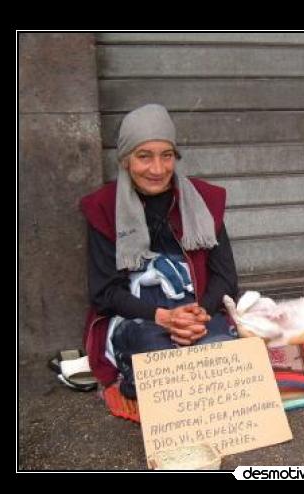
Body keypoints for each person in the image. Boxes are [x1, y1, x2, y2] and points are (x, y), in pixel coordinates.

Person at [80, 104, 239, 400]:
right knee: (157, 350)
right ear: (126, 160)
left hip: (195, 311)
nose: (157, 169)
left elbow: (225, 277)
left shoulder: (203, 200)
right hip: (139, 316)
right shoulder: (103, 207)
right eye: (144, 156)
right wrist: (165, 318)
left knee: (222, 351)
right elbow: (105, 294)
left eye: (166, 156)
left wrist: (199, 314)